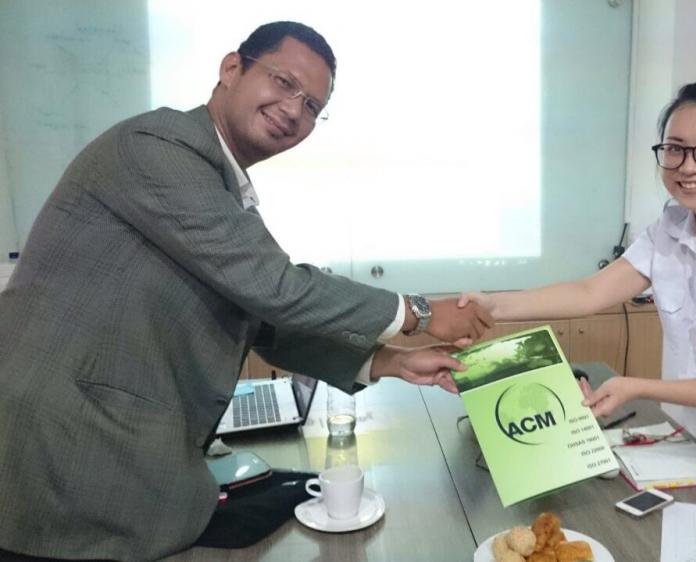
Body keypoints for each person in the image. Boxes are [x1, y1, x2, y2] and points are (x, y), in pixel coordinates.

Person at [0, 21, 492, 561]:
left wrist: (392, 361)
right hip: (64, 458)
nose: (294, 110)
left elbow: (261, 320)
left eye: (312, 106)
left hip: (120, 458)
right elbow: (275, 287)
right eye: (283, 82)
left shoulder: (221, 186)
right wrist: (418, 312)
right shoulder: (158, 148)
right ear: (232, 68)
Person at [460, 78, 696, 549]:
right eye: (675, 149)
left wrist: (637, 386)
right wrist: (495, 305)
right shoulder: (674, 225)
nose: (689, 166)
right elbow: (591, 291)